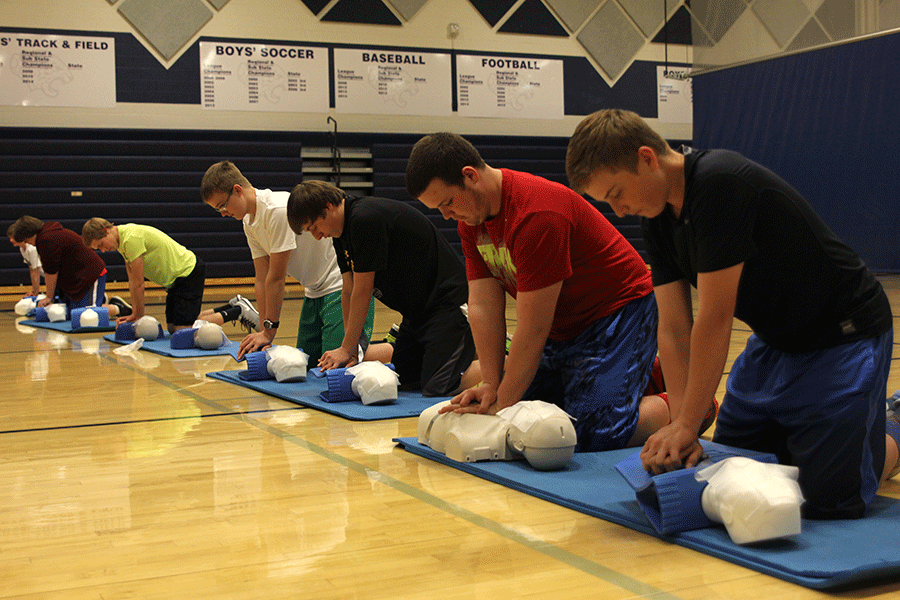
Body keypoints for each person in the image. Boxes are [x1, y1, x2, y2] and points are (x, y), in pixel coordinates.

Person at [566, 108, 895, 519]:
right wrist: (684, 419)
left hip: (843, 337)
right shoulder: (656, 219)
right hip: (776, 343)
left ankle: (893, 423)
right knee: (736, 475)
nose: (619, 210)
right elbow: (673, 328)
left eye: (616, 193)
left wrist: (686, 426)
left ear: (647, 158)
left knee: (823, 501)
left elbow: (714, 318)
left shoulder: (719, 183)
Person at [405, 132, 682, 452]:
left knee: (587, 431)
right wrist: (493, 387)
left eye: (448, 202)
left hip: (620, 313)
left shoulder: (535, 213)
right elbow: (482, 306)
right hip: (564, 327)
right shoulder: (472, 223)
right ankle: (633, 374)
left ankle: (682, 402)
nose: (447, 215)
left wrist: (501, 406)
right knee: (537, 417)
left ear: (471, 176)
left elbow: (533, 328)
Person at [286, 180, 479, 397]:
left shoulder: (364, 219)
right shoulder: (341, 234)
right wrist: (352, 350)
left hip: (448, 305)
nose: (316, 236)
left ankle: (504, 362)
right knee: (405, 381)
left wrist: (346, 349)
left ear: (328, 207)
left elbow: (363, 290)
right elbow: (348, 290)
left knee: (438, 386)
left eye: (314, 227)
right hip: (417, 313)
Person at [199, 161, 376, 362]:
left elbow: (276, 278)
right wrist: (263, 330)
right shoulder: (249, 221)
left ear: (237, 190)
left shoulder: (276, 210)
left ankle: (395, 349)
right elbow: (262, 278)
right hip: (313, 292)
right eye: (217, 209)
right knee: (305, 365)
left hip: (338, 287)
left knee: (339, 364)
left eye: (222, 205)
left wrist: (269, 332)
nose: (222, 213)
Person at [82, 218, 204, 333]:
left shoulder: (131, 239)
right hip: (176, 282)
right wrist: (135, 314)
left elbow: (139, 284)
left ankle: (208, 325)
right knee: (172, 328)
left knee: (182, 331)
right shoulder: (122, 241)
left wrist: (139, 316)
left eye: (101, 245)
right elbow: (132, 281)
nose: (103, 250)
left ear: (105, 230)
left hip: (188, 273)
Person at [9, 216, 131, 317]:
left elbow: (51, 272)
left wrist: (49, 297)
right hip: (76, 280)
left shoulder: (46, 239)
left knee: (85, 316)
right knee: (67, 314)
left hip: (90, 275)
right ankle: (101, 300)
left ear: (29, 235)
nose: (27, 243)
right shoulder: (47, 235)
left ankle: (118, 308)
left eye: (26, 240)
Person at [7, 224, 44, 298]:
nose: (11, 240)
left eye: (12, 238)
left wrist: (35, 293)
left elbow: (35, 272)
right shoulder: (22, 249)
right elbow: (32, 270)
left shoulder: (32, 249)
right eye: (10, 238)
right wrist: (33, 291)